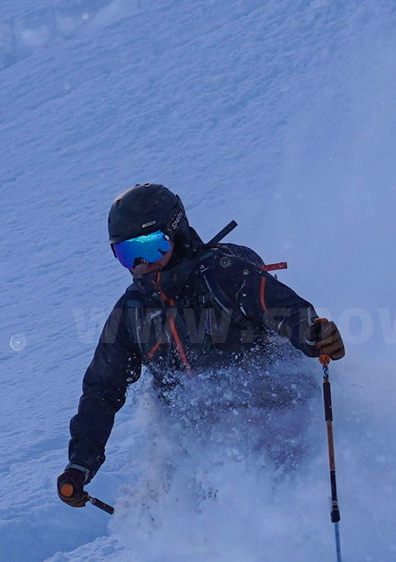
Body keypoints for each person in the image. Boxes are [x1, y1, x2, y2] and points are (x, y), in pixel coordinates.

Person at [57, 183, 345, 507]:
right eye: (126, 254)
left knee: (269, 496)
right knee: (168, 503)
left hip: (274, 418)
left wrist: (312, 334)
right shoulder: (132, 313)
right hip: (197, 447)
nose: (141, 263)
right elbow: (101, 390)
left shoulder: (222, 275)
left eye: (152, 247)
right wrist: (81, 463)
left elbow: (282, 308)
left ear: (176, 234)